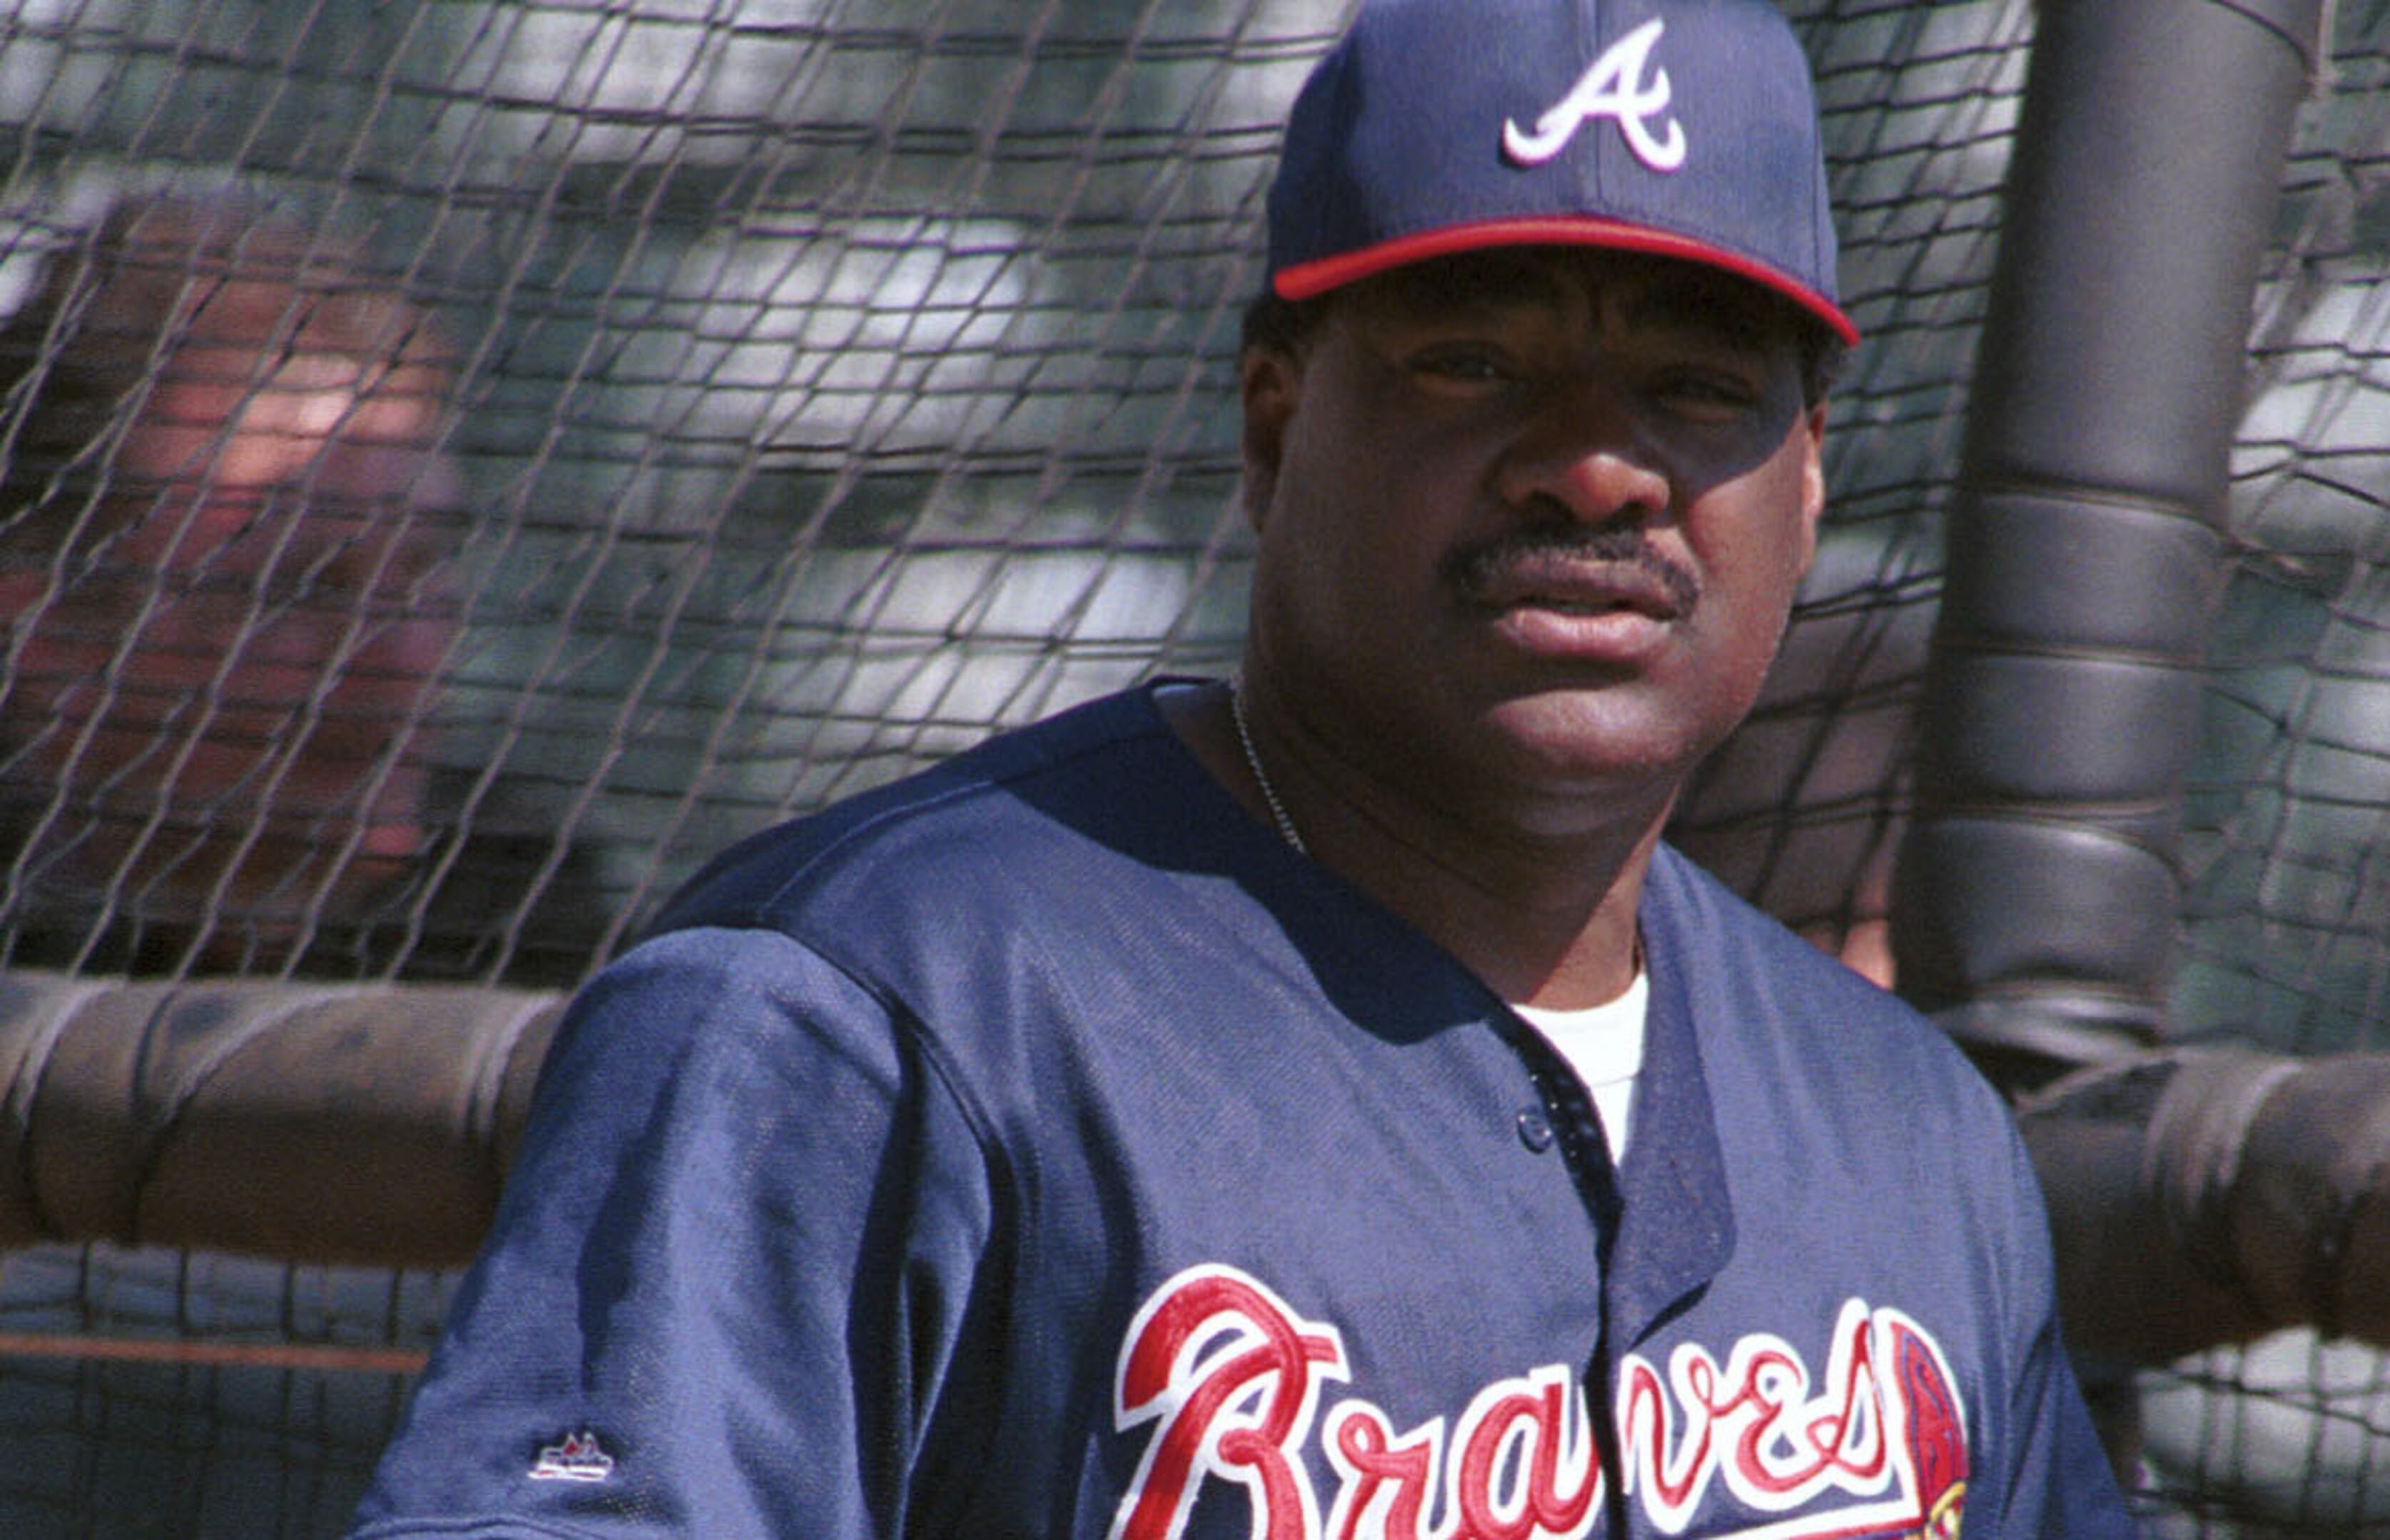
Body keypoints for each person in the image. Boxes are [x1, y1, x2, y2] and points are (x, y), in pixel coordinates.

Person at [349, 1, 2137, 1535]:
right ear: (1275, 421)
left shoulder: (1908, 1137)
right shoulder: (868, 1014)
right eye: (1472, 359)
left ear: (1808, 474)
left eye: (1691, 385)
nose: (1593, 471)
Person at [0, 196, 604, 984]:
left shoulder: (510, 914)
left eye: (423, 570)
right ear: (43, 624)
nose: (401, 653)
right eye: (304, 585)